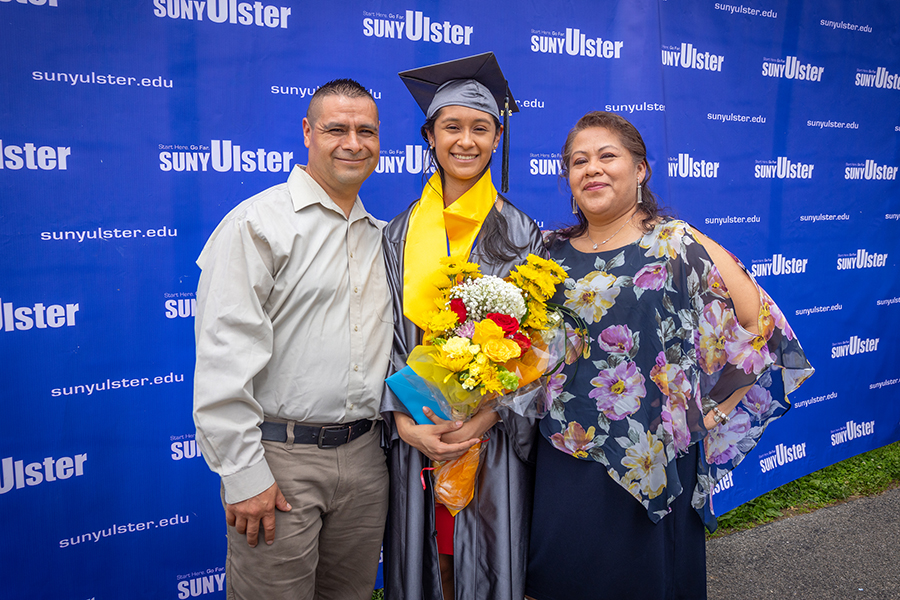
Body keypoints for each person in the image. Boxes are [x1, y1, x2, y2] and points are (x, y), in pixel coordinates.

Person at [525, 112, 814, 600]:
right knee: (561, 581)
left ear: (640, 170)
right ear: (568, 179)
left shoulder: (677, 242)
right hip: (564, 453)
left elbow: (761, 324)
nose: (591, 168)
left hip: (652, 454)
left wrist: (714, 410)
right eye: (578, 161)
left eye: (606, 156)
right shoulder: (548, 253)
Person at [192, 79, 391, 600]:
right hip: (280, 462)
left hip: (368, 461)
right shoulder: (258, 224)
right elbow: (223, 356)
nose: (353, 142)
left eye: (366, 131)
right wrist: (242, 474)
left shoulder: (385, 237)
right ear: (307, 132)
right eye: (336, 129)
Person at [381, 53, 545, 600]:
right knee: (432, 561)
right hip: (418, 429)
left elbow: (543, 347)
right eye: (452, 126)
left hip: (489, 433)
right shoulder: (397, 233)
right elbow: (381, 334)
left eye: (481, 128)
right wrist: (404, 424)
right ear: (430, 135)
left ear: (498, 137)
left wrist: (481, 420)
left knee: (481, 556)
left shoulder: (522, 234)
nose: (466, 141)